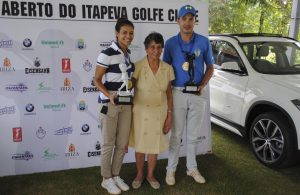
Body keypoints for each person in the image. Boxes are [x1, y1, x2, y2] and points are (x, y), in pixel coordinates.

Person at [163, 5, 215, 185]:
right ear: (177, 20)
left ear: (195, 21)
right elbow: (166, 71)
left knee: (193, 135)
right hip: (177, 92)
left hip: (198, 93)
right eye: (183, 19)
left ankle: (191, 167)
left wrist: (202, 84)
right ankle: (171, 169)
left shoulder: (203, 41)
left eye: (190, 19)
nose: (187, 23)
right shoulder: (170, 43)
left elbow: (210, 67)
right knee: (176, 135)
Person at [129, 32, 174, 190]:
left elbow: (169, 94)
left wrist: (169, 116)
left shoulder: (167, 68)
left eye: (159, 47)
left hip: (159, 113)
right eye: (152, 47)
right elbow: (129, 87)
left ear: (162, 49)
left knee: (154, 146)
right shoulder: (138, 66)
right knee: (141, 146)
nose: (156, 50)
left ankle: (150, 175)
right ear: (146, 49)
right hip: (141, 113)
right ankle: (140, 174)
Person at [94, 18, 135, 195]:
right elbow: (96, 80)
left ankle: (116, 175)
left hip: (126, 104)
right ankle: (106, 179)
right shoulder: (107, 53)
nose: (128, 36)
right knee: (108, 143)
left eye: (131, 33)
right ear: (117, 33)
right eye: (124, 32)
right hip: (109, 104)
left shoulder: (127, 54)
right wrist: (108, 94)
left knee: (121, 143)